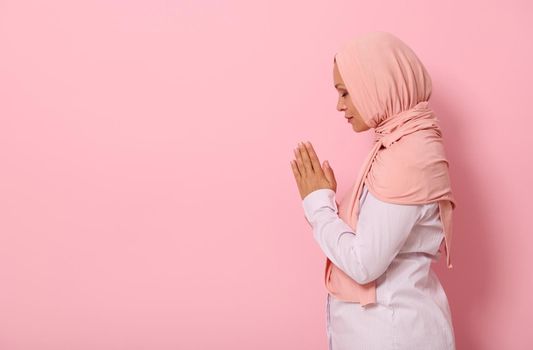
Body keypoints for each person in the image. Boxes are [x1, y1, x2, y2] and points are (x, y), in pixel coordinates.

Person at [290, 31, 456, 350]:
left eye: (345, 92)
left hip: (395, 335)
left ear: (375, 85)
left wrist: (318, 205)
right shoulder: (399, 147)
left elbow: (364, 264)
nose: (339, 105)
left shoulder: (407, 158)